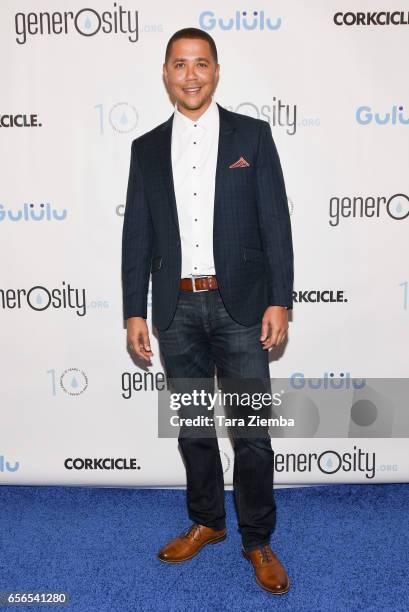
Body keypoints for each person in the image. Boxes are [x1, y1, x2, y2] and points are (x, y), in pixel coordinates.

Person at [122, 27, 294, 595]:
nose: (190, 74)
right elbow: (137, 237)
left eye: (201, 64)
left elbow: (275, 223)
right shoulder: (145, 148)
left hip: (241, 305)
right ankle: (206, 522)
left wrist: (279, 299)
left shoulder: (253, 135)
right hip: (175, 309)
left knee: (250, 433)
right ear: (166, 73)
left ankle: (257, 539)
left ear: (216, 71)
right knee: (194, 429)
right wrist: (134, 311)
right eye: (179, 64)